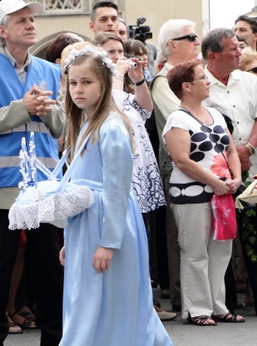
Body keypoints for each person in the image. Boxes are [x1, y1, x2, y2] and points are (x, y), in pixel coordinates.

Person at [0, 0, 65, 344]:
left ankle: (55, 337)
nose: (31, 24)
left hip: (44, 186)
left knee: (49, 269)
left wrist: (45, 109)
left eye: (32, 18)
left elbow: (60, 126)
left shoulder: (51, 71)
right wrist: (22, 108)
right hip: (1, 184)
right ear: (3, 31)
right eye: (22, 20)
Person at [58, 45, 171, 345]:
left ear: (105, 83)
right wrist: (73, 239)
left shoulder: (111, 128)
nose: (78, 90)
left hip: (110, 223)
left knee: (114, 305)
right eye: (73, 83)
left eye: (87, 82)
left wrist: (109, 242)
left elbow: (118, 189)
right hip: (86, 223)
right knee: (85, 300)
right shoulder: (84, 124)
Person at [163, 60, 244, 325]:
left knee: (221, 252)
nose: (208, 82)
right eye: (202, 78)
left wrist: (236, 178)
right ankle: (197, 309)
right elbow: (182, 160)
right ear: (186, 86)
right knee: (196, 252)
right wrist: (216, 181)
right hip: (193, 194)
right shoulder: (177, 119)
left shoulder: (215, 114)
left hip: (222, 193)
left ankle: (218, 306)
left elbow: (230, 149)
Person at [202, 28, 257, 314]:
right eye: (232, 49)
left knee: (254, 236)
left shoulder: (248, 80)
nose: (239, 52)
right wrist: (233, 157)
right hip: (219, 172)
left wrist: (248, 148)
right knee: (220, 239)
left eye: (239, 47)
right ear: (213, 56)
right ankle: (224, 305)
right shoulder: (200, 84)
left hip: (253, 167)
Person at [150, 19, 201, 313]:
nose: (197, 42)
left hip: (204, 161)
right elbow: (187, 121)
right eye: (191, 37)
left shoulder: (194, 76)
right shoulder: (163, 80)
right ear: (171, 45)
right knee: (181, 236)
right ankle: (186, 300)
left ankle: (204, 299)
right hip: (178, 166)